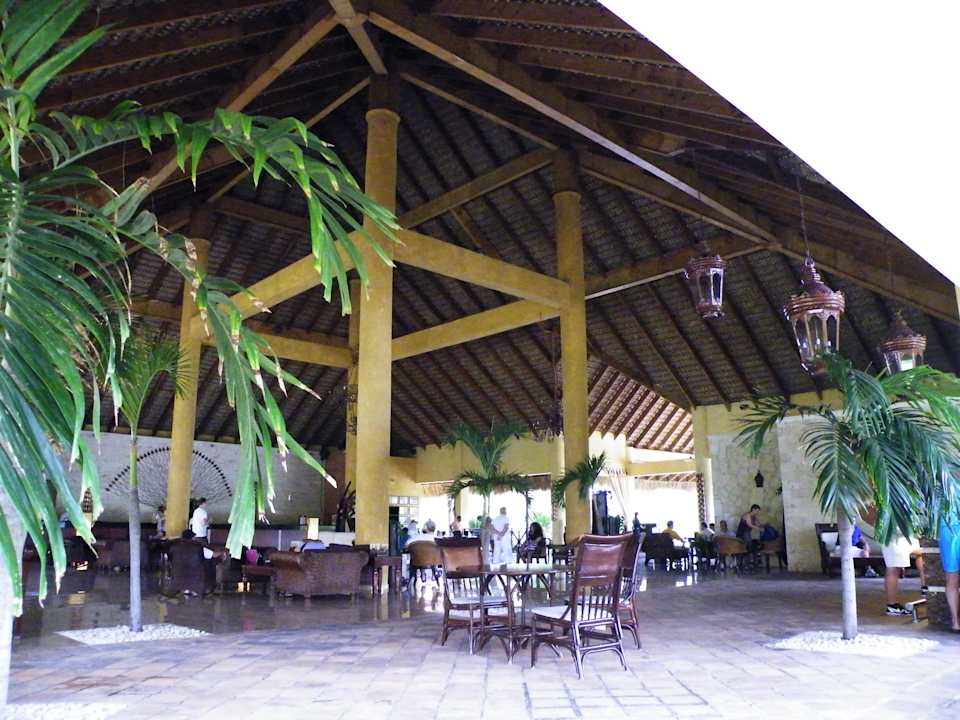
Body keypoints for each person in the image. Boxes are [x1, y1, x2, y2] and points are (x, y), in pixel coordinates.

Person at [940, 511, 960, 631]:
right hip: (947, 528)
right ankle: (955, 620)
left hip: (947, 528)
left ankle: (955, 621)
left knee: (952, 579)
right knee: (952, 579)